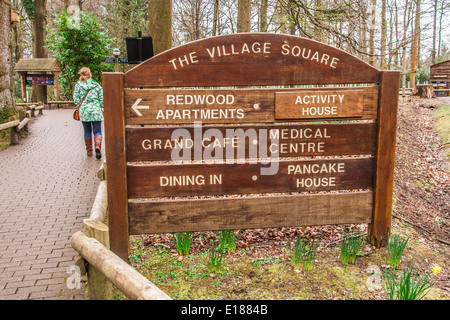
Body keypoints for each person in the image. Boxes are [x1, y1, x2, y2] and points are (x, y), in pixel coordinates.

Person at [73, 67, 104, 160]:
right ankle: (97, 147)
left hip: (84, 111)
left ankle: (89, 151)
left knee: (87, 131)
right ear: (90, 74)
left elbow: (76, 99)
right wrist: (100, 106)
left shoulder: (78, 85)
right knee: (97, 131)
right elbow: (102, 98)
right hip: (96, 111)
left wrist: (80, 106)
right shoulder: (96, 85)